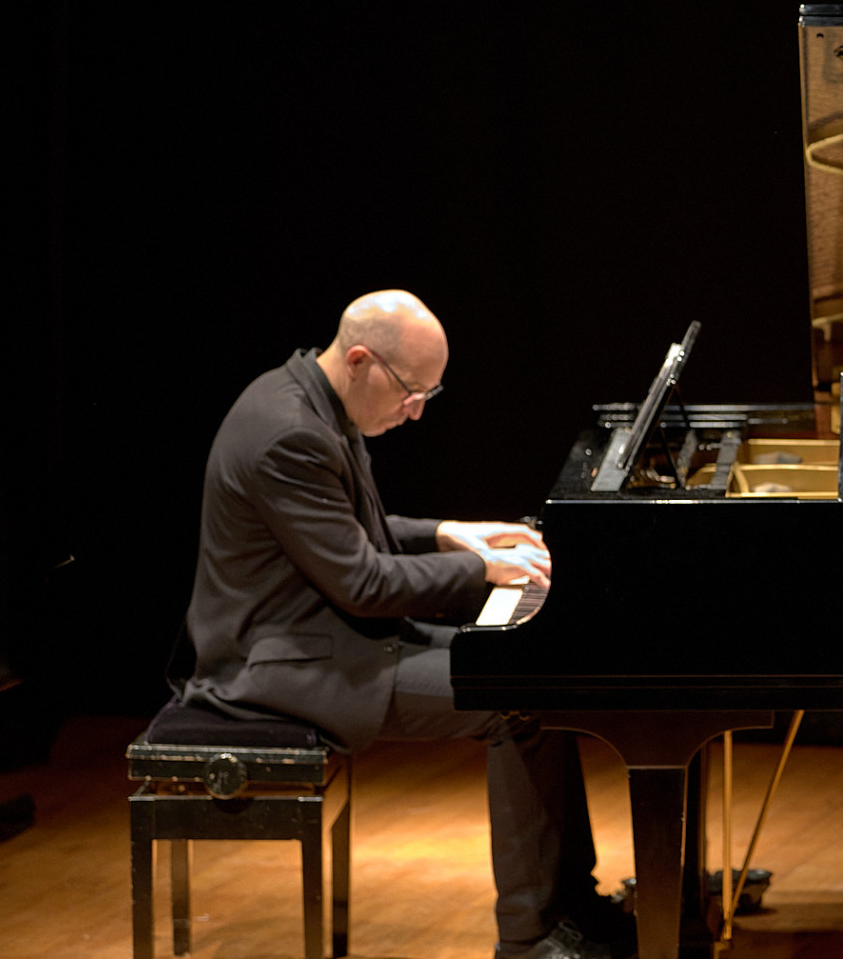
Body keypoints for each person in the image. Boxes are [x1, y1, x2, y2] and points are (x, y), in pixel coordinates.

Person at [175, 290, 626, 959]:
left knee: (531, 674)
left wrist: (451, 533)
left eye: (427, 395)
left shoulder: (315, 399)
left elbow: (349, 535)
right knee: (514, 699)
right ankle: (528, 938)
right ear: (361, 360)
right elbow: (364, 584)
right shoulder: (289, 433)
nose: (415, 411)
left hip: (322, 636)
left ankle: (575, 905)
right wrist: (484, 569)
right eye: (412, 392)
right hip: (280, 665)